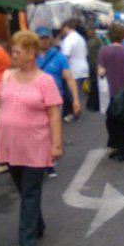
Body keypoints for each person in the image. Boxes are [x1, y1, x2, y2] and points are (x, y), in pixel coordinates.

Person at [0, 31, 63, 246]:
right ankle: (37, 224)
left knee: (29, 191)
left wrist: (56, 144)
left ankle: (26, 239)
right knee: (24, 189)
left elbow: (54, 114)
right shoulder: (6, 77)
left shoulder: (45, 81)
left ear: (30, 53)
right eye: (13, 51)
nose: (13, 56)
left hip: (36, 145)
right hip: (9, 144)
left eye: (17, 52)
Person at [36, 27, 81, 178]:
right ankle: (40, 161)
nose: (44, 40)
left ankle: (49, 163)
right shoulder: (31, 57)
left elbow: (69, 78)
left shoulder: (59, 57)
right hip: (35, 101)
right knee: (38, 133)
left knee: (50, 132)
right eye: (41, 38)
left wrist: (75, 99)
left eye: (46, 37)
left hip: (55, 101)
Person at [98, 23, 124, 161]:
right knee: (123, 122)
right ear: (123, 35)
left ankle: (114, 145)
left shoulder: (103, 51)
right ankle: (121, 151)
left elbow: (101, 71)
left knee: (110, 120)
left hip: (108, 91)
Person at [59, 19, 88, 122]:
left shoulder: (69, 39)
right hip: (82, 67)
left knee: (71, 93)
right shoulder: (80, 38)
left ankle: (74, 113)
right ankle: (75, 112)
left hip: (73, 69)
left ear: (66, 27)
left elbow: (64, 56)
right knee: (77, 91)